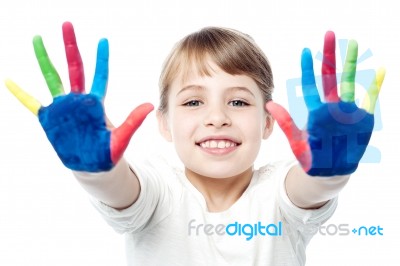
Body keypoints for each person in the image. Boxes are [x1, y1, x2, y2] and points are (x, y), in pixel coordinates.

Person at [5, 22, 384, 265]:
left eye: (238, 101)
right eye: (192, 101)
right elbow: (120, 190)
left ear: (267, 123)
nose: (216, 117)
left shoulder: (281, 191)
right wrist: (95, 170)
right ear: (164, 123)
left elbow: (308, 188)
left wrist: (330, 171)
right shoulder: (157, 187)